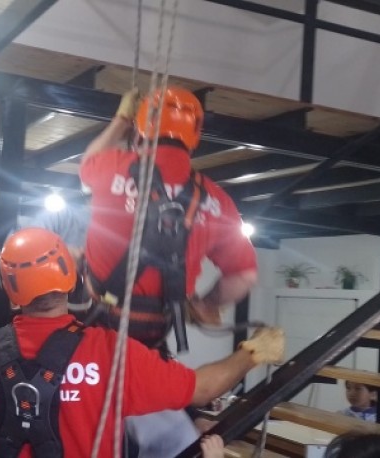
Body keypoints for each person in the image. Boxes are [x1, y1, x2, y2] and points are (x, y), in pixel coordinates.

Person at [0, 227, 284, 458]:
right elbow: (203, 388)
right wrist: (252, 353)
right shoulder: (108, 352)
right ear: (71, 280)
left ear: (10, 291)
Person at [79, 86, 259, 455]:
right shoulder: (213, 198)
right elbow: (244, 275)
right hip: (150, 347)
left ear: (142, 125)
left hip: (93, 338)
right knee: (170, 437)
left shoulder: (112, 166)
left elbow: (85, 169)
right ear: (195, 135)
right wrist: (207, 303)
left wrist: (120, 121)